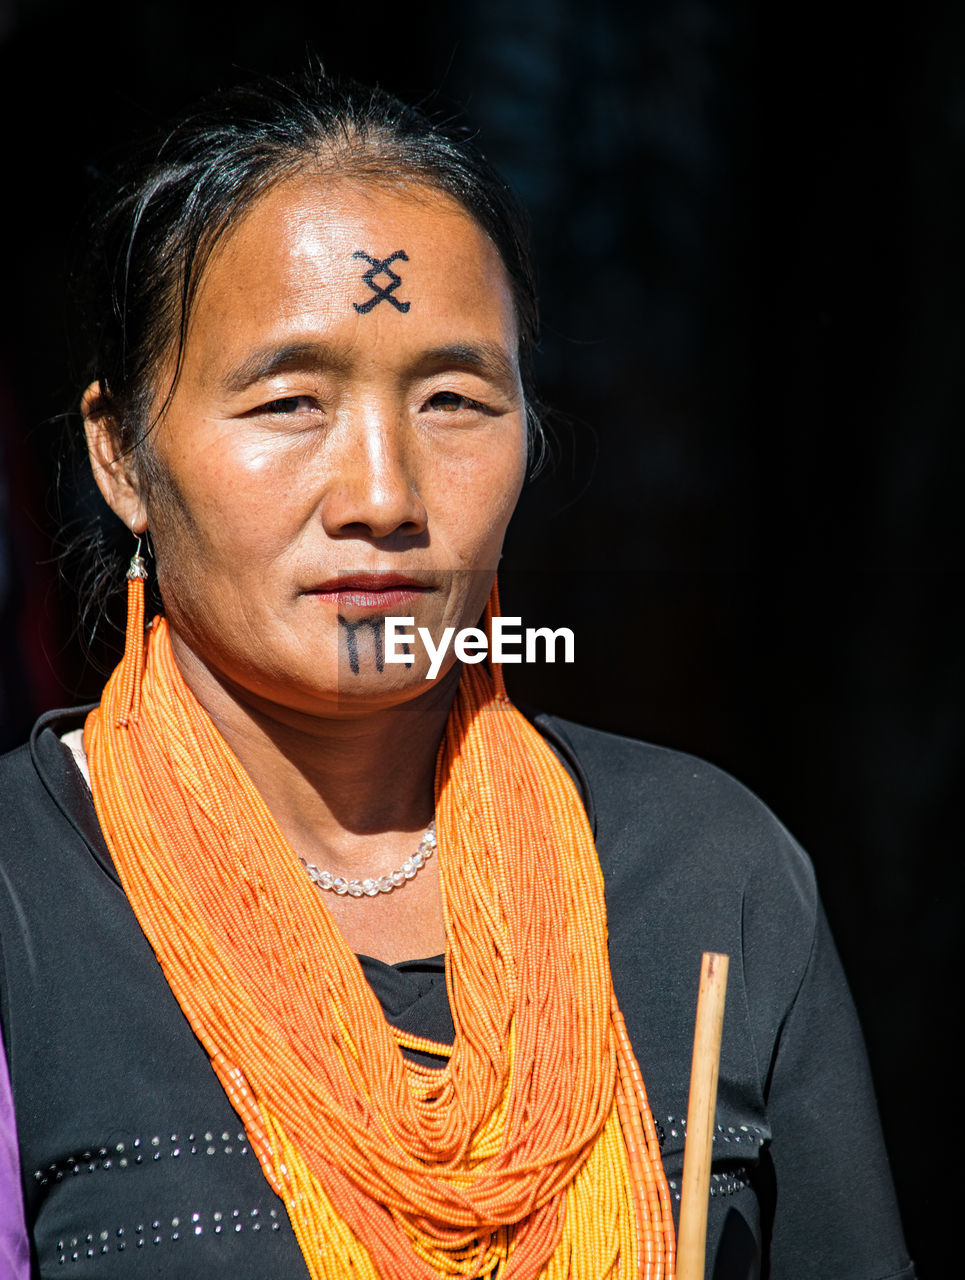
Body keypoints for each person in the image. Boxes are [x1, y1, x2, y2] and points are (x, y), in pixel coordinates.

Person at [0, 68, 914, 1280]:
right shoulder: (22, 893)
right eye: (288, 401)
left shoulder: (711, 876)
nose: (383, 496)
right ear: (120, 455)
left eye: (451, 397)